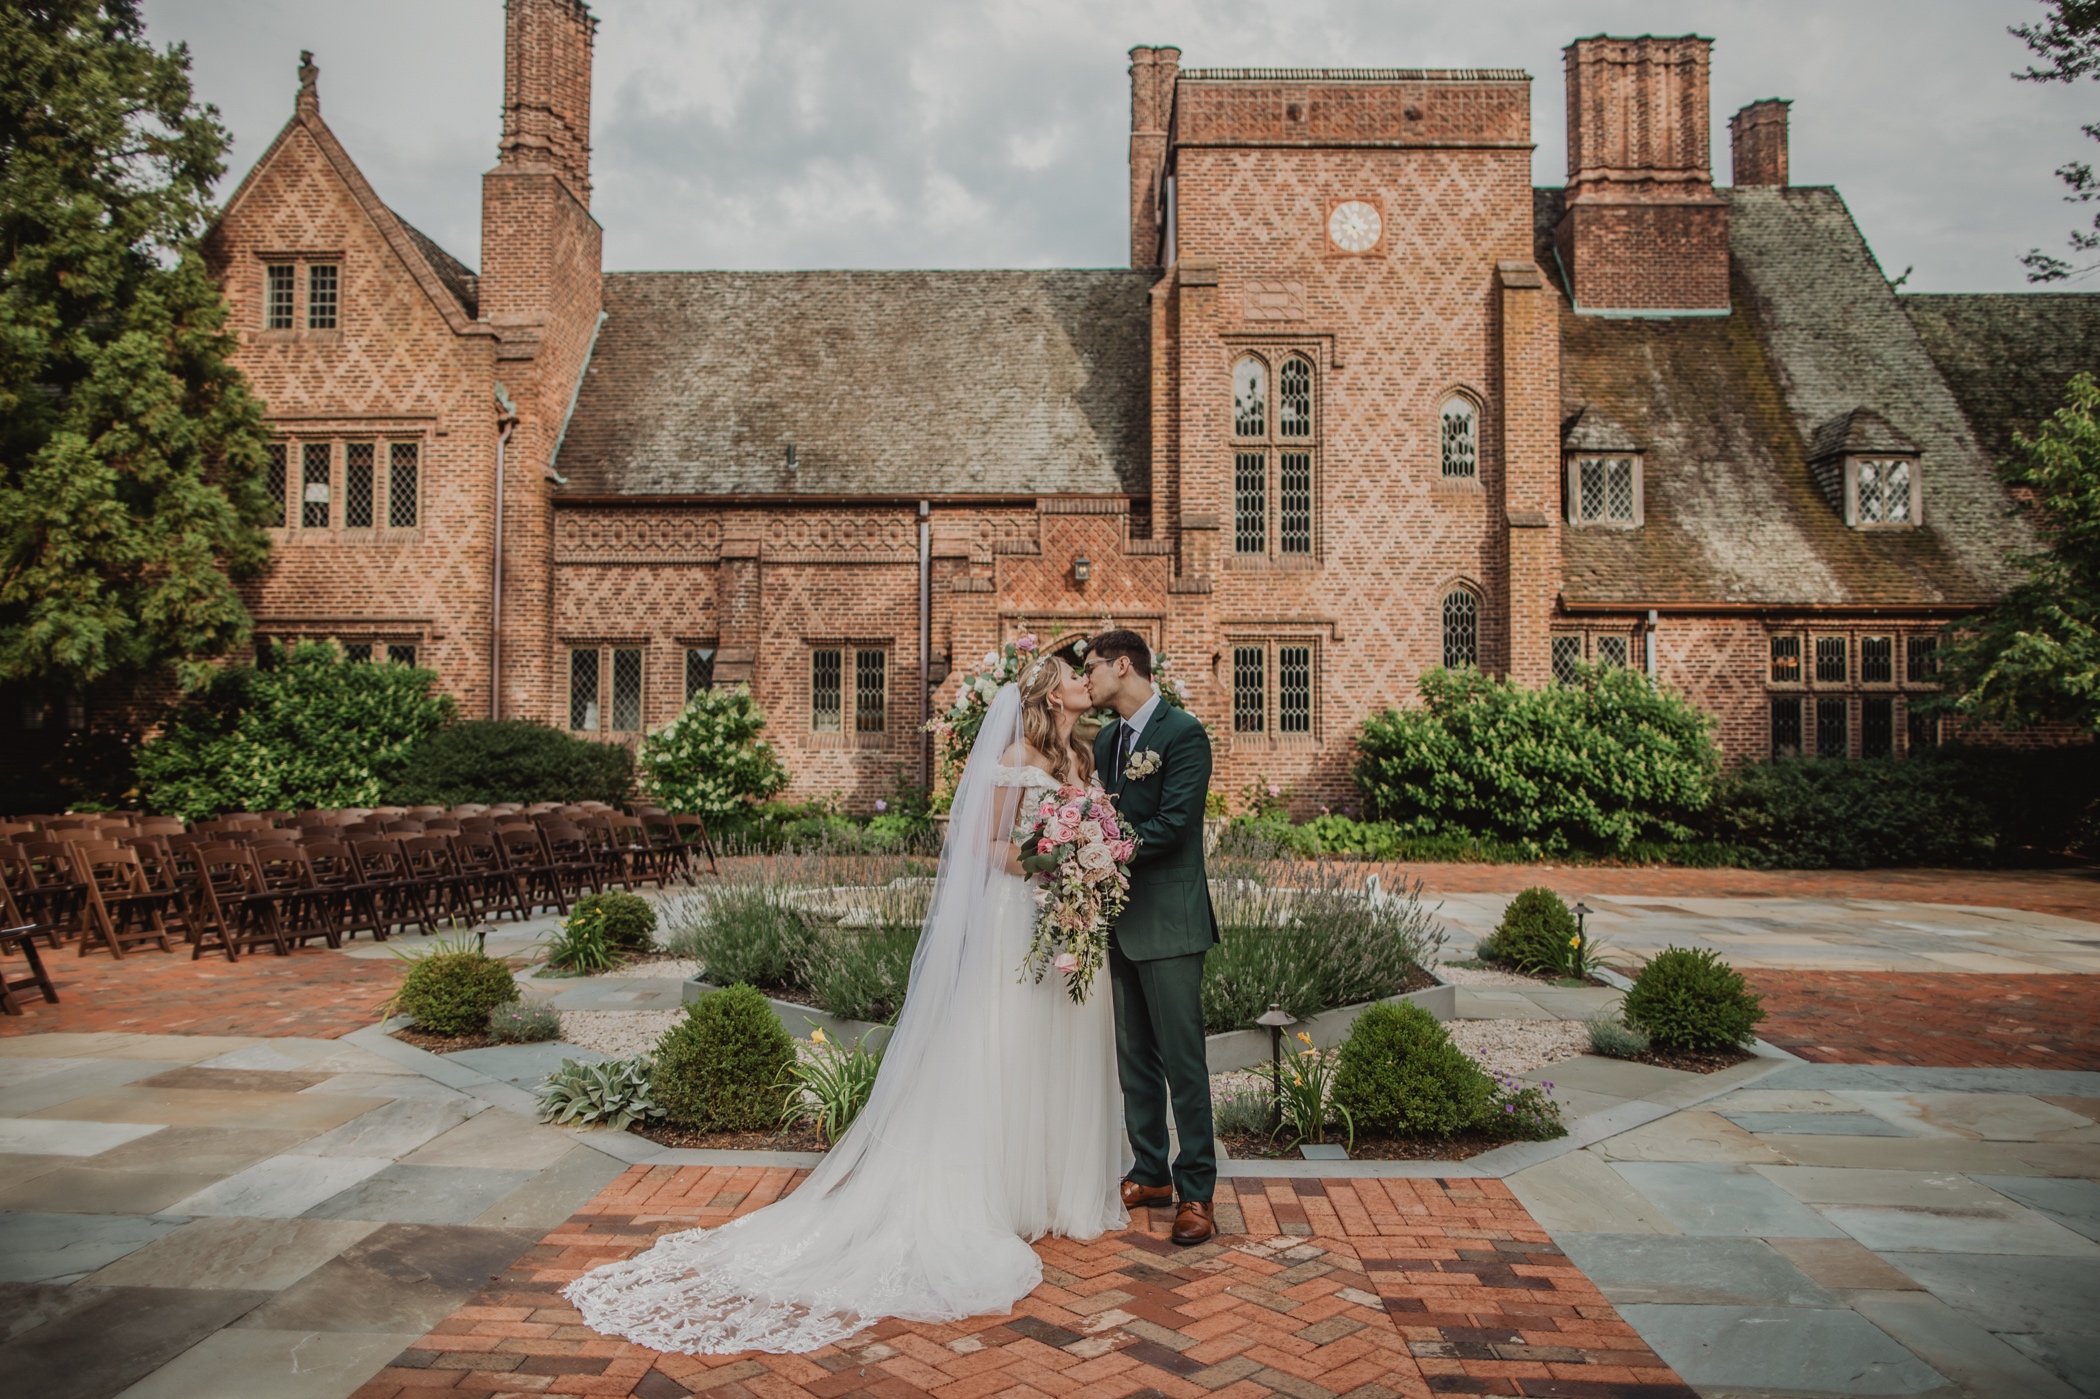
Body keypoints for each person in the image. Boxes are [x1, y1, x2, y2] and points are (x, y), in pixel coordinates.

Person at [563, 643, 1124, 1355]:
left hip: (1067, 919)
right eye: (1075, 675)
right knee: (1005, 1044)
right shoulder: (1014, 753)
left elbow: (1085, 824)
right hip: (1020, 917)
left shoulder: (1080, 759)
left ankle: (1053, 1191)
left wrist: (1087, 860)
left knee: (1057, 1046)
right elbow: (987, 847)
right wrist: (1057, 858)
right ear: (1049, 695)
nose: (1084, 682)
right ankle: (1001, 1191)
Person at [1083, 628, 1220, 1246]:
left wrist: (1098, 847)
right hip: (1119, 918)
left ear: (1122, 665)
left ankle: (1196, 1191)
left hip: (1169, 920)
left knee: (1183, 1061)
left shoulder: (1184, 733)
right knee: (1134, 1056)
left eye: (1091, 669)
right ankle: (1150, 1171)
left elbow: (1173, 823)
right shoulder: (1109, 737)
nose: (1087, 680)